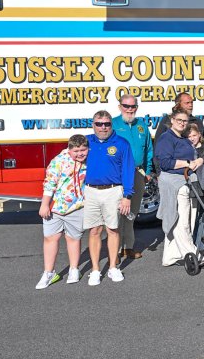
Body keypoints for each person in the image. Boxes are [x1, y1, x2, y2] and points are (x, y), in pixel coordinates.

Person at [84, 111, 135, 286]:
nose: (103, 127)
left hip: (114, 191)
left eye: (106, 124)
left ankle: (113, 267)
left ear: (111, 125)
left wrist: (127, 196)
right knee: (94, 231)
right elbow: (70, 160)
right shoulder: (86, 141)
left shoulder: (121, 143)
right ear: (93, 124)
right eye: (99, 124)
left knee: (113, 230)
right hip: (91, 191)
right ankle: (95, 270)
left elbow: (128, 170)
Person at [35, 135, 88, 289]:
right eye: (76, 150)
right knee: (51, 238)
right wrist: (44, 204)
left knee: (73, 238)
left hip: (77, 207)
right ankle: (49, 272)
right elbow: (49, 183)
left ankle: (74, 269)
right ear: (69, 149)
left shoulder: (89, 161)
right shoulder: (58, 161)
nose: (80, 153)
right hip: (56, 208)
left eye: (83, 150)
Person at [155, 109, 204, 267]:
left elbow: (193, 157)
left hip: (187, 180)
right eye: (179, 120)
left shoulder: (183, 138)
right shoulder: (166, 138)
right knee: (180, 221)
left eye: (185, 120)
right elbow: (165, 163)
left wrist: (198, 161)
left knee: (188, 219)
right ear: (172, 119)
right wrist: (187, 164)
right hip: (173, 183)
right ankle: (192, 254)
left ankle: (170, 256)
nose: (182, 123)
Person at [112, 94, 153, 260]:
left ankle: (128, 247)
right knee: (115, 212)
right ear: (120, 106)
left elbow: (149, 149)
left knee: (132, 212)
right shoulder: (113, 124)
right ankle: (114, 249)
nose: (129, 109)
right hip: (118, 174)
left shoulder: (142, 125)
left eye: (132, 106)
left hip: (138, 173)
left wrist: (148, 171)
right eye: (126, 106)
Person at [187, 123, 204, 252]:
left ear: (199, 135)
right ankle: (197, 245)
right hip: (194, 186)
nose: (192, 138)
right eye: (189, 136)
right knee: (195, 216)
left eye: (194, 135)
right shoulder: (186, 150)